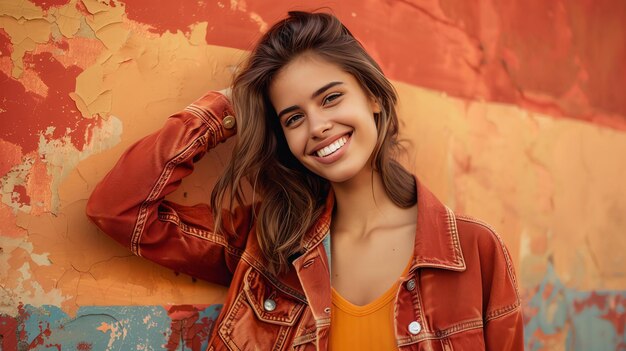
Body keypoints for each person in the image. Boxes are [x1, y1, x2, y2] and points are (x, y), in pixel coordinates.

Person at [86, 11, 523, 350]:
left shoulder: (474, 252)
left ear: (372, 95)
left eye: (331, 97)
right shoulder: (268, 245)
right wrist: (228, 108)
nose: (317, 126)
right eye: (293, 117)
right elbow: (119, 209)